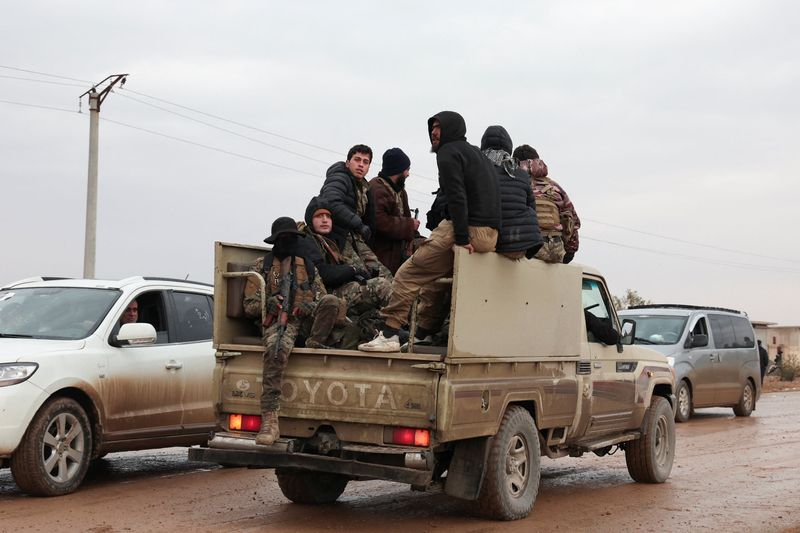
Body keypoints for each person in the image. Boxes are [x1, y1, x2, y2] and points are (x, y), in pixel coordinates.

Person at [359, 111, 501, 352]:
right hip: (490, 234)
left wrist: (462, 238)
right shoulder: (478, 155)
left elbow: (456, 196)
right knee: (435, 278)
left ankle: (390, 334)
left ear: (451, 129)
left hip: (466, 229)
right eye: (432, 127)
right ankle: (424, 333)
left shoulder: (448, 152)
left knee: (408, 274)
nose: (434, 132)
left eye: (439, 127)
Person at [243, 217, 341, 445]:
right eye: (284, 238)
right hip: (278, 322)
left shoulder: (307, 266)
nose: (288, 243)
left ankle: (315, 342)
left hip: (305, 323)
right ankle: (269, 419)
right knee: (275, 352)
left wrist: (310, 306)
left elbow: (323, 298)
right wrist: (267, 304)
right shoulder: (262, 267)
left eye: (292, 238)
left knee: (332, 302)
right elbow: (249, 306)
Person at [298, 197, 392, 344]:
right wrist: (352, 270)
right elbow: (325, 274)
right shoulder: (306, 241)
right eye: (319, 216)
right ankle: (393, 332)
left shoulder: (334, 241)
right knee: (381, 286)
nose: (325, 220)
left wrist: (360, 273)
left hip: (341, 291)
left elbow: (358, 268)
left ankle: (395, 330)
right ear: (310, 219)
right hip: (324, 298)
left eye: (328, 216)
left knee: (388, 285)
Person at [480, 126, 543, 260]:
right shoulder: (522, 174)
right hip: (518, 245)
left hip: (487, 243)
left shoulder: (478, 169)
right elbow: (532, 208)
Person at [513, 145, 581, 264]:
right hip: (556, 250)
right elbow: (573, 221)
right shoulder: (554, 187)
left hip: (529, 250)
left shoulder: (514, 184)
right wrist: (570, 252)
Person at [368, 148, 421, 274]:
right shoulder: (376, 188)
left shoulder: (401, 192)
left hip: (398, 255)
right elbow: (379, 221)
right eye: (407, 170)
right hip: (382, 257)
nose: (408, 174)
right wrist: (409, 224)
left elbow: (408, 221)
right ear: (398, 170)